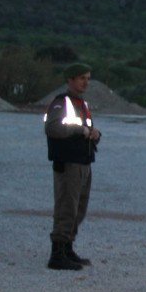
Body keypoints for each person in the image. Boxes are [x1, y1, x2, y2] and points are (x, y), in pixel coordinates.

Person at [43, 63, 100, 271]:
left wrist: (94, 134)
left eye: (88, 78)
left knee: (78, 209)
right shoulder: (61, 102)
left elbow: (85, 130)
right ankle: (57, 255)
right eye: (81, 78)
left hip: (83, 162)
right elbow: (52, 128)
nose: (86, 82)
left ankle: (67, 248)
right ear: (70, 80)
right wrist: (81, 130)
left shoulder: (81, 103)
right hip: (68, 164)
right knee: (67, 207)